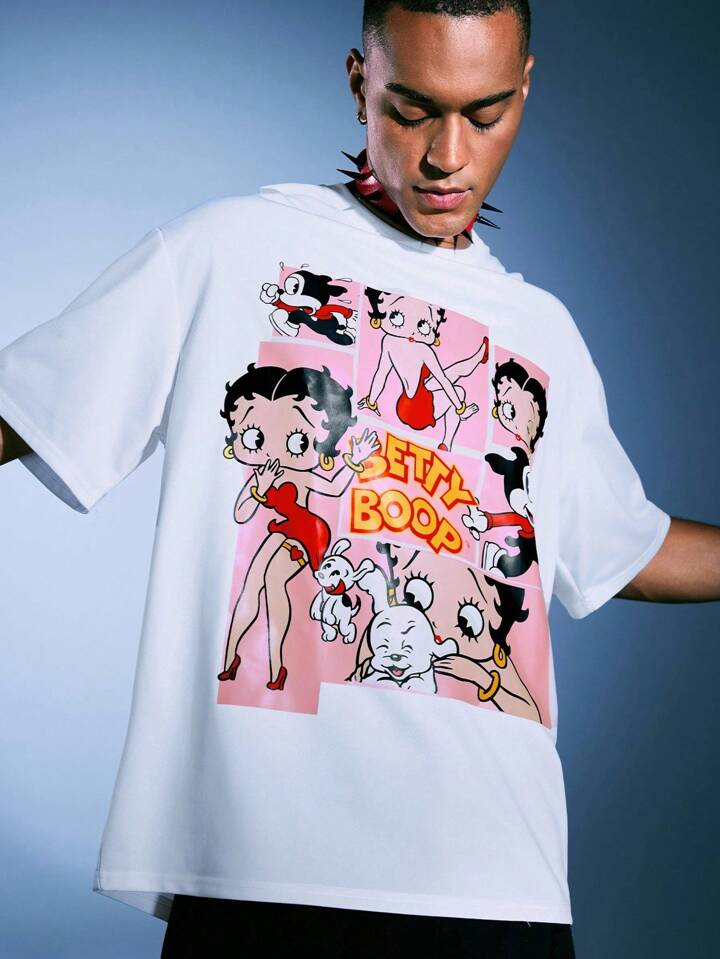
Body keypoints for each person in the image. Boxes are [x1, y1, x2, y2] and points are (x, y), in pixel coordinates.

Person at [0, 2, 718, 957]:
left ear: (525, 88)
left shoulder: (543, 332)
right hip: (263, 877)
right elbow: (26, 409)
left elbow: (623, 545)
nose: (447, 157)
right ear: (358, 83)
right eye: (411, 110)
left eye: (486, 113)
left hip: (500, 886)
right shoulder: (229, 250)